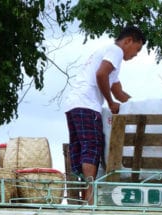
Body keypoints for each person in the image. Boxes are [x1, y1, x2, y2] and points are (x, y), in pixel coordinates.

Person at [62, 25, 145, 204]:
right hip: (87, 104)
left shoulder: (108, 54)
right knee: (92, 146)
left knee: (80, 147)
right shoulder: (115, 51)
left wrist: (139, 106)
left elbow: (118, 91)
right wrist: (109, 102)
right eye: (137, 49)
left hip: (73, 104)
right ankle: (90, 195)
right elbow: (101, 75)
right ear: (128, 41)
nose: (135, 54)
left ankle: (85, 194)